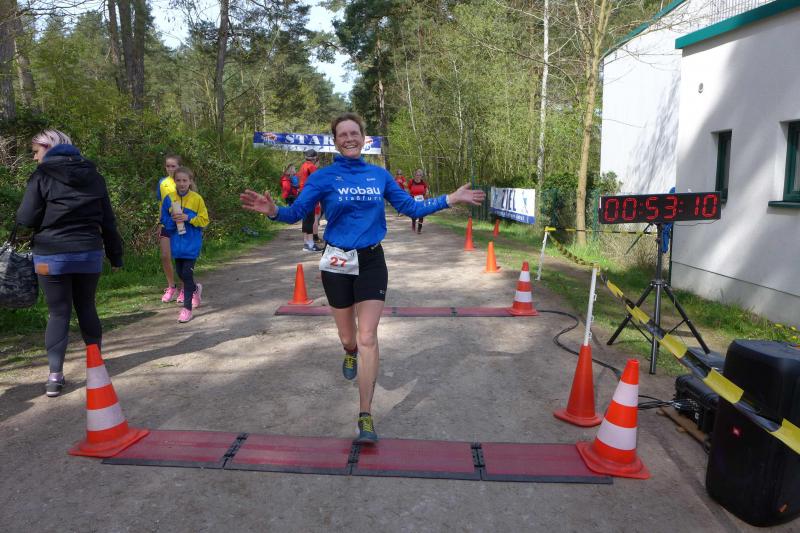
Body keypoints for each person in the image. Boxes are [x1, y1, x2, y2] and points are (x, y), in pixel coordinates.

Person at [240, 112, 485, 443]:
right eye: (342, 134)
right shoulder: (323, 177)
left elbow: (410, 209)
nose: (349, 138)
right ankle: (349, 350)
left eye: (354, 133)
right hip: (337, 262)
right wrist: (272, 211)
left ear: (363, 138)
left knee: (368, 335)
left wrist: (449, 199)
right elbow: (296, 213)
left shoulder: (379, 175)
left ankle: (365, 415)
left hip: (371, 261)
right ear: (335, 141)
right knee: (349, 338)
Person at [15, 129, 124, 397]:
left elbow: (25, 218)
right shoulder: (94, 176)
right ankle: (96, 368)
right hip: (89, 253)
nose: (34, 157)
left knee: (58, 313)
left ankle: (55, 377)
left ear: (50, 147)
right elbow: (108, 221)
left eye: (36, 152)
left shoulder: (42, 175)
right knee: (86, 305)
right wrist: (116, 255)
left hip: (51, 255)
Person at [160, 167, 209, 323]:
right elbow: (164, 220)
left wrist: (188, 217)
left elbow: (204, 220)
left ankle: (187, 309)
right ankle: (195, 289)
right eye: (178, 180)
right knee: (181, 273)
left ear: (190, 181)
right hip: (176, 243)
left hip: (191, 243)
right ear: (174, 181)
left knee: (186, 274)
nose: (182, 183)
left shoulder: (197, 199)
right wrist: (172, 221)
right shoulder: (169, 199)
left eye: (185, 180)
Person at [158, 155, 181, 303]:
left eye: (174, 166)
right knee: (165, 256)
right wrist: (159, 223)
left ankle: (185, 289)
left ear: (179, 167)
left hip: (181, 223)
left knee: (181, 256)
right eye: (168, 166)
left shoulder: (183, 180)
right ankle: (171, 286)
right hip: (166, 223)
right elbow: (161, 203)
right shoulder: (162, 182)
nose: (170, 169)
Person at [297, 149, 323, 252]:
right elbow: (318, 181)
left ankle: (306, 243)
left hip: (302, 193)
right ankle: (311, 244)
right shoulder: (311, 167)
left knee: (306, 218)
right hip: (309, 194)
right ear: (315, 158)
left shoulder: (303, 166)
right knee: (310, 219)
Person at [408, 169, 429, 233]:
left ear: (421, 176)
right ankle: (413, 224)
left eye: (420, 175)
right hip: (413, 199)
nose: (418, 176)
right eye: (417, 175)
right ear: (415, 175)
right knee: (414, 213)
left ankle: (419, 229)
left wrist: (426, 194)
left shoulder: (423, 182)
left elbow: (426, 189)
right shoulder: (411, 182)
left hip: (421, 199)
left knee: (421, 214)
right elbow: (408, 189)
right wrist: (408, 197)